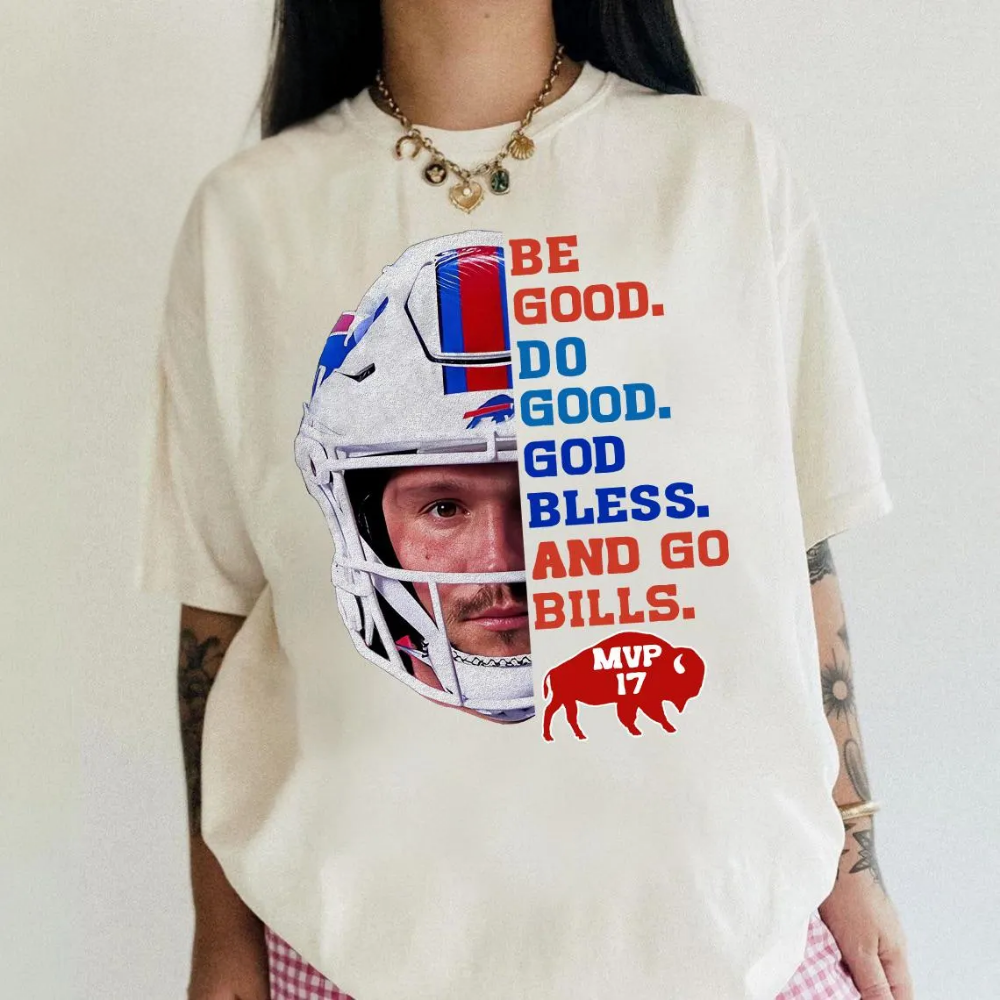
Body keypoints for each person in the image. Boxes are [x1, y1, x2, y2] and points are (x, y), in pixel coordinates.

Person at [134, 2, 915, 998]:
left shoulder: (721, 167)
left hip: (732, 938)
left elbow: (795, 544)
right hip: (358, 952)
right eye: (444, 506)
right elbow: (219, 606)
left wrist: (855, 853)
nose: (506, 549)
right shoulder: (250, 217)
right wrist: (220, 934)